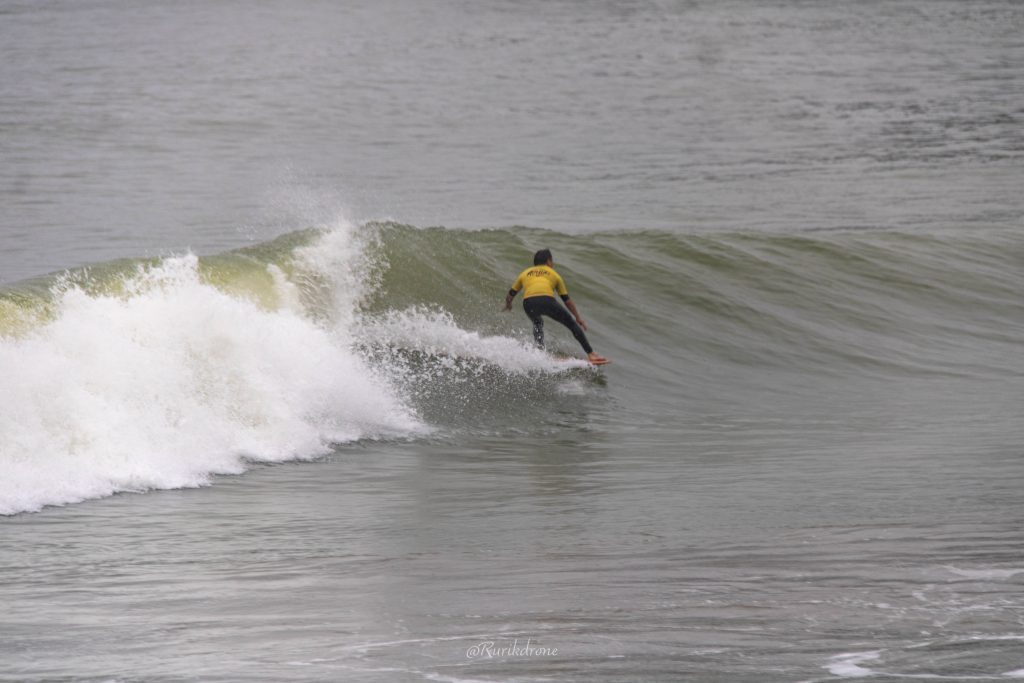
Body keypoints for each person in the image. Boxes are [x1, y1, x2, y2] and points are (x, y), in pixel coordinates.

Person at [503, 248, 608, 364]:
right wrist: (578, 318)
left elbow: (510, 294)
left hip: (528, 302)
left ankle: (539, 353)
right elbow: (566, 300)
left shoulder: (525, 273)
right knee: (571, 324)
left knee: (537, 323)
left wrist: (509, 304)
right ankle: (591, 354)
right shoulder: (554, 274)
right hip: (546, 300)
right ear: (548, 261)